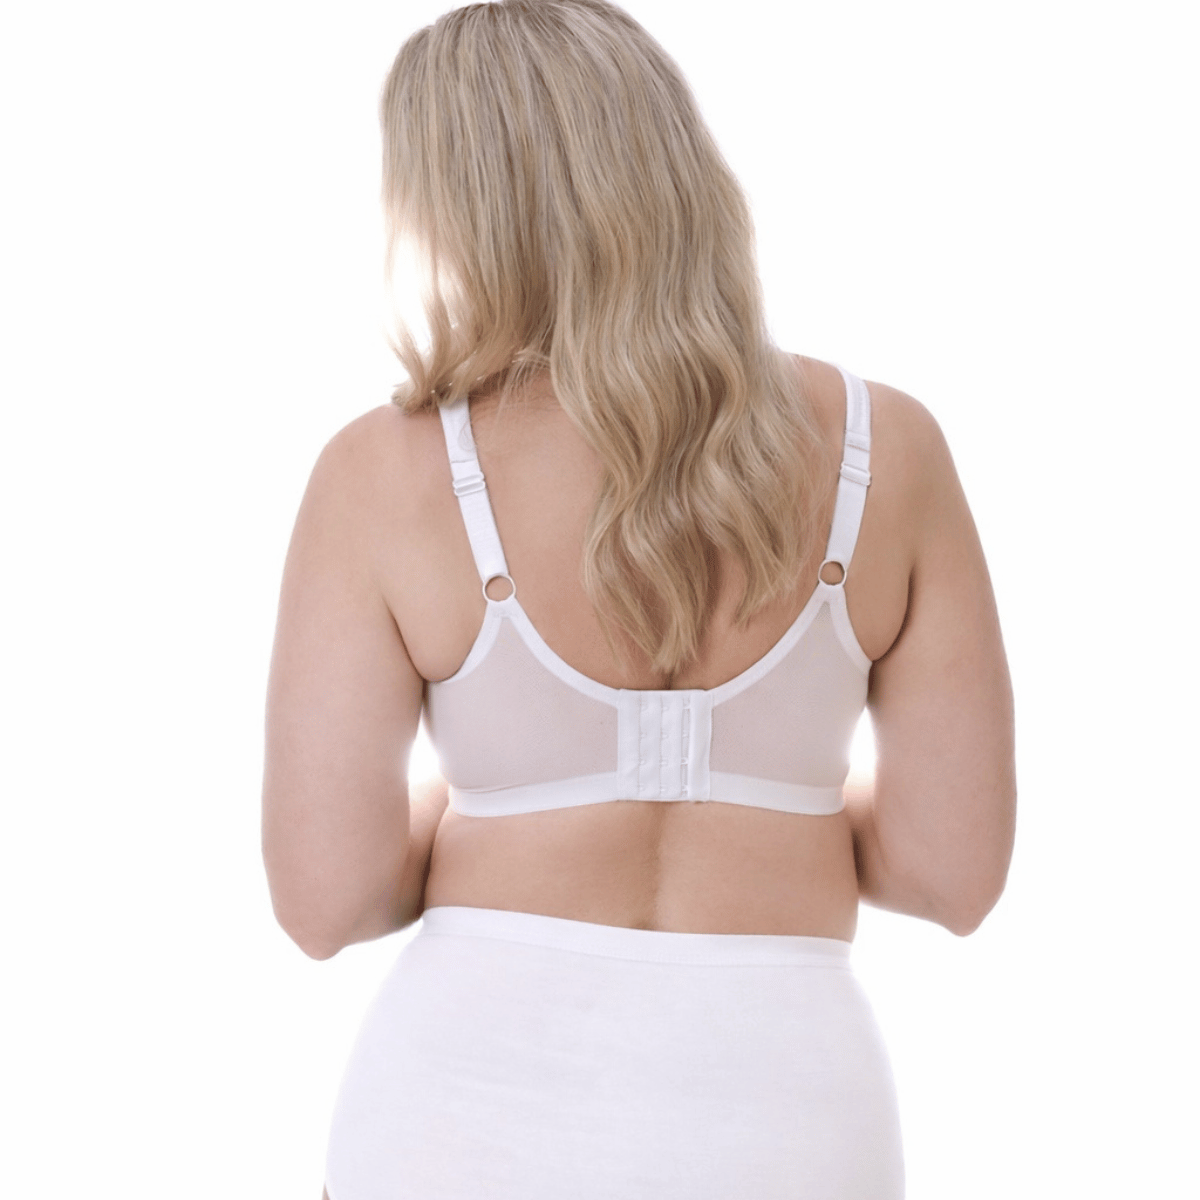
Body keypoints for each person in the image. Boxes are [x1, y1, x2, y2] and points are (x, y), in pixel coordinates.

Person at [261, 1, 1016, 1196]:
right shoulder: (887, 452)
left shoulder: (383, 475)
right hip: (788, 1111)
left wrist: (501, 816)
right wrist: (771, 814)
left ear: (459, 204)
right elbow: (949, 871)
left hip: (461, 1106)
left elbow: (327, 897)